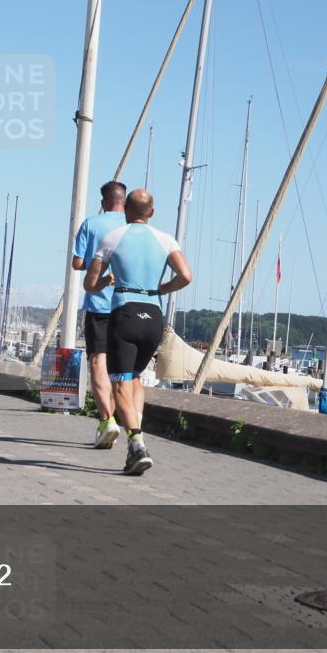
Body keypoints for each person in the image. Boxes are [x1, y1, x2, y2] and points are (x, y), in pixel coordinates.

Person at [84, 189, 192, 476]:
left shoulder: (113, 238)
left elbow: (89, 283)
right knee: (135, 379)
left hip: (126, 314)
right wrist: (161, 289)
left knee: (119, 382)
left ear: (125, 211)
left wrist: (106, 281)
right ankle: (137, 429)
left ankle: (137, 443)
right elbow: (186, 276)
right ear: (152, 213)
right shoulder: (166, 239)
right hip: (154, 317)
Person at [72, 181, 129, 450]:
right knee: (120, 370)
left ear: (104, 201)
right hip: (126, 305)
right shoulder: (135, 227)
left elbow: (77, 263)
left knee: (97, 363)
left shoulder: (91, 224)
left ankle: (106, 420)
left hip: (98, 304)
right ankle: (121, 420)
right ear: (123, 201)